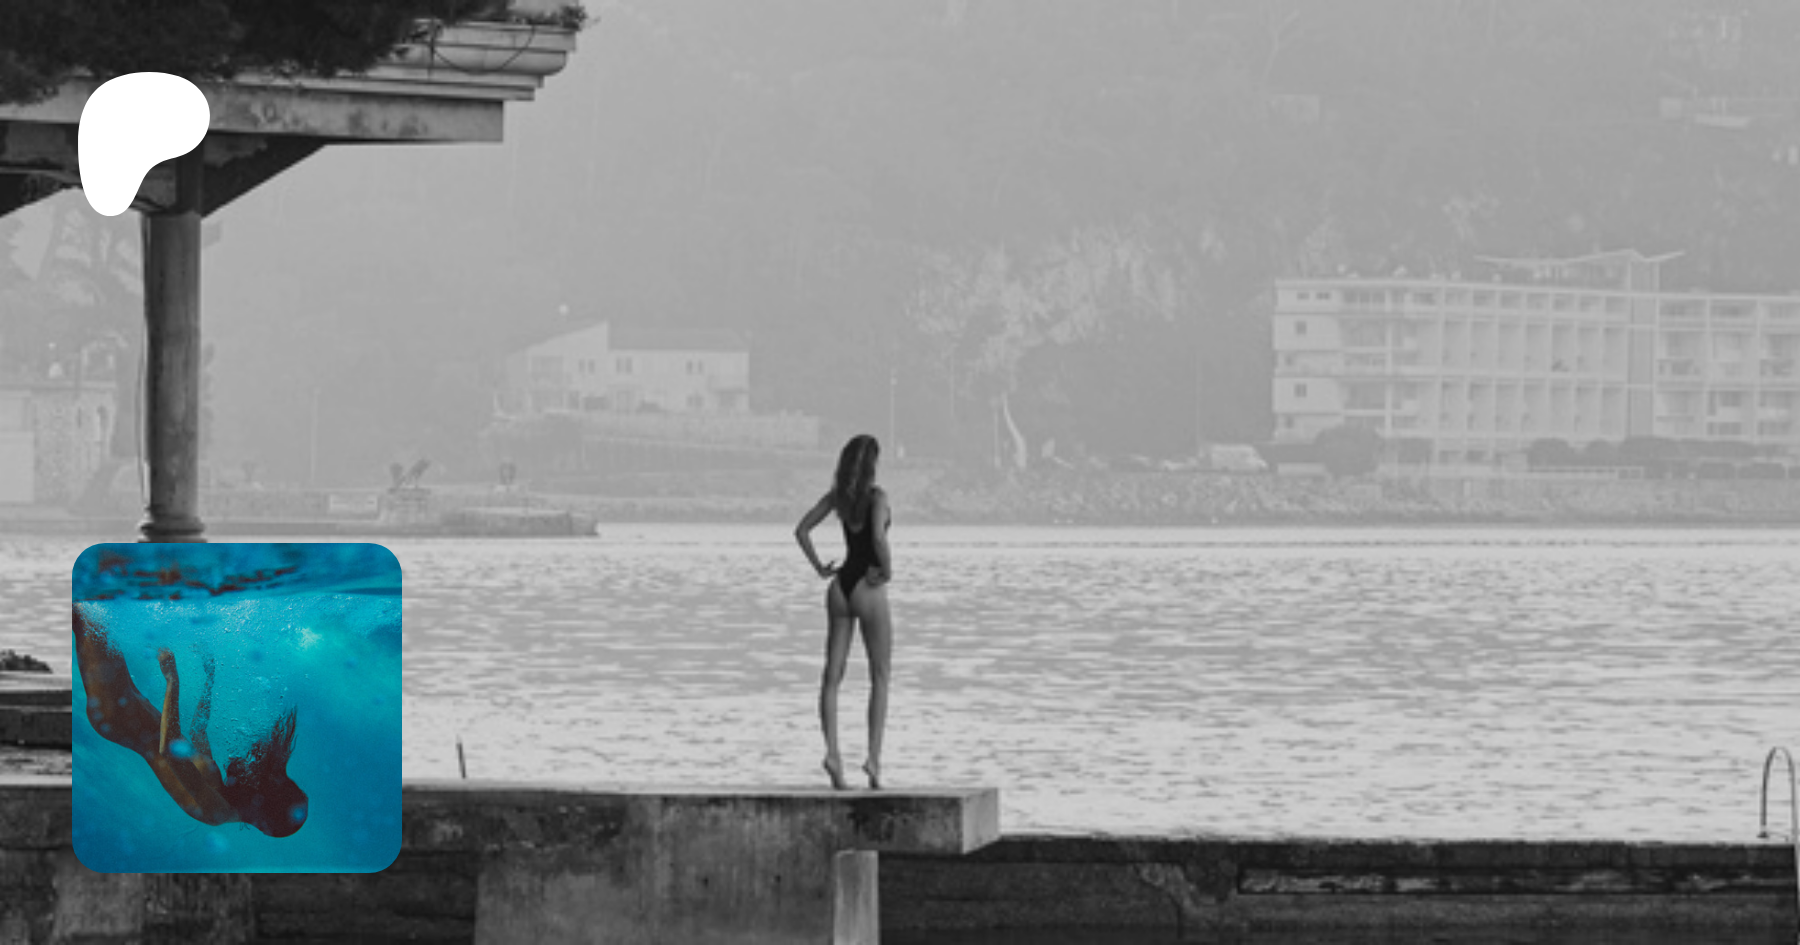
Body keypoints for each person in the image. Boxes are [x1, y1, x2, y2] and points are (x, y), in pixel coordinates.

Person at [72, 603, 308, 838]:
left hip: (117, 714)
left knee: (87, 614)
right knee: (91, 614)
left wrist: (172, 680)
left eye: (273, 783)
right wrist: (209, 679)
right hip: (130, 706)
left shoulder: (217, 812)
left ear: (265, 803)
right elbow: (198, 731)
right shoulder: (220, 789)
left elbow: (169, 750)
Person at [794, 433, 893, 790]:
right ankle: (873, 760)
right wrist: (888, 570)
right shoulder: (877, 498)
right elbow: (878, 538)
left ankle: (833, 755)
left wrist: (820, 567)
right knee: (880, 675)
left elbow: (802, 530)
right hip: (868, 587)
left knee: (831, 676)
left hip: (840, 587)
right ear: (872, 465)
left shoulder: (838, 498)